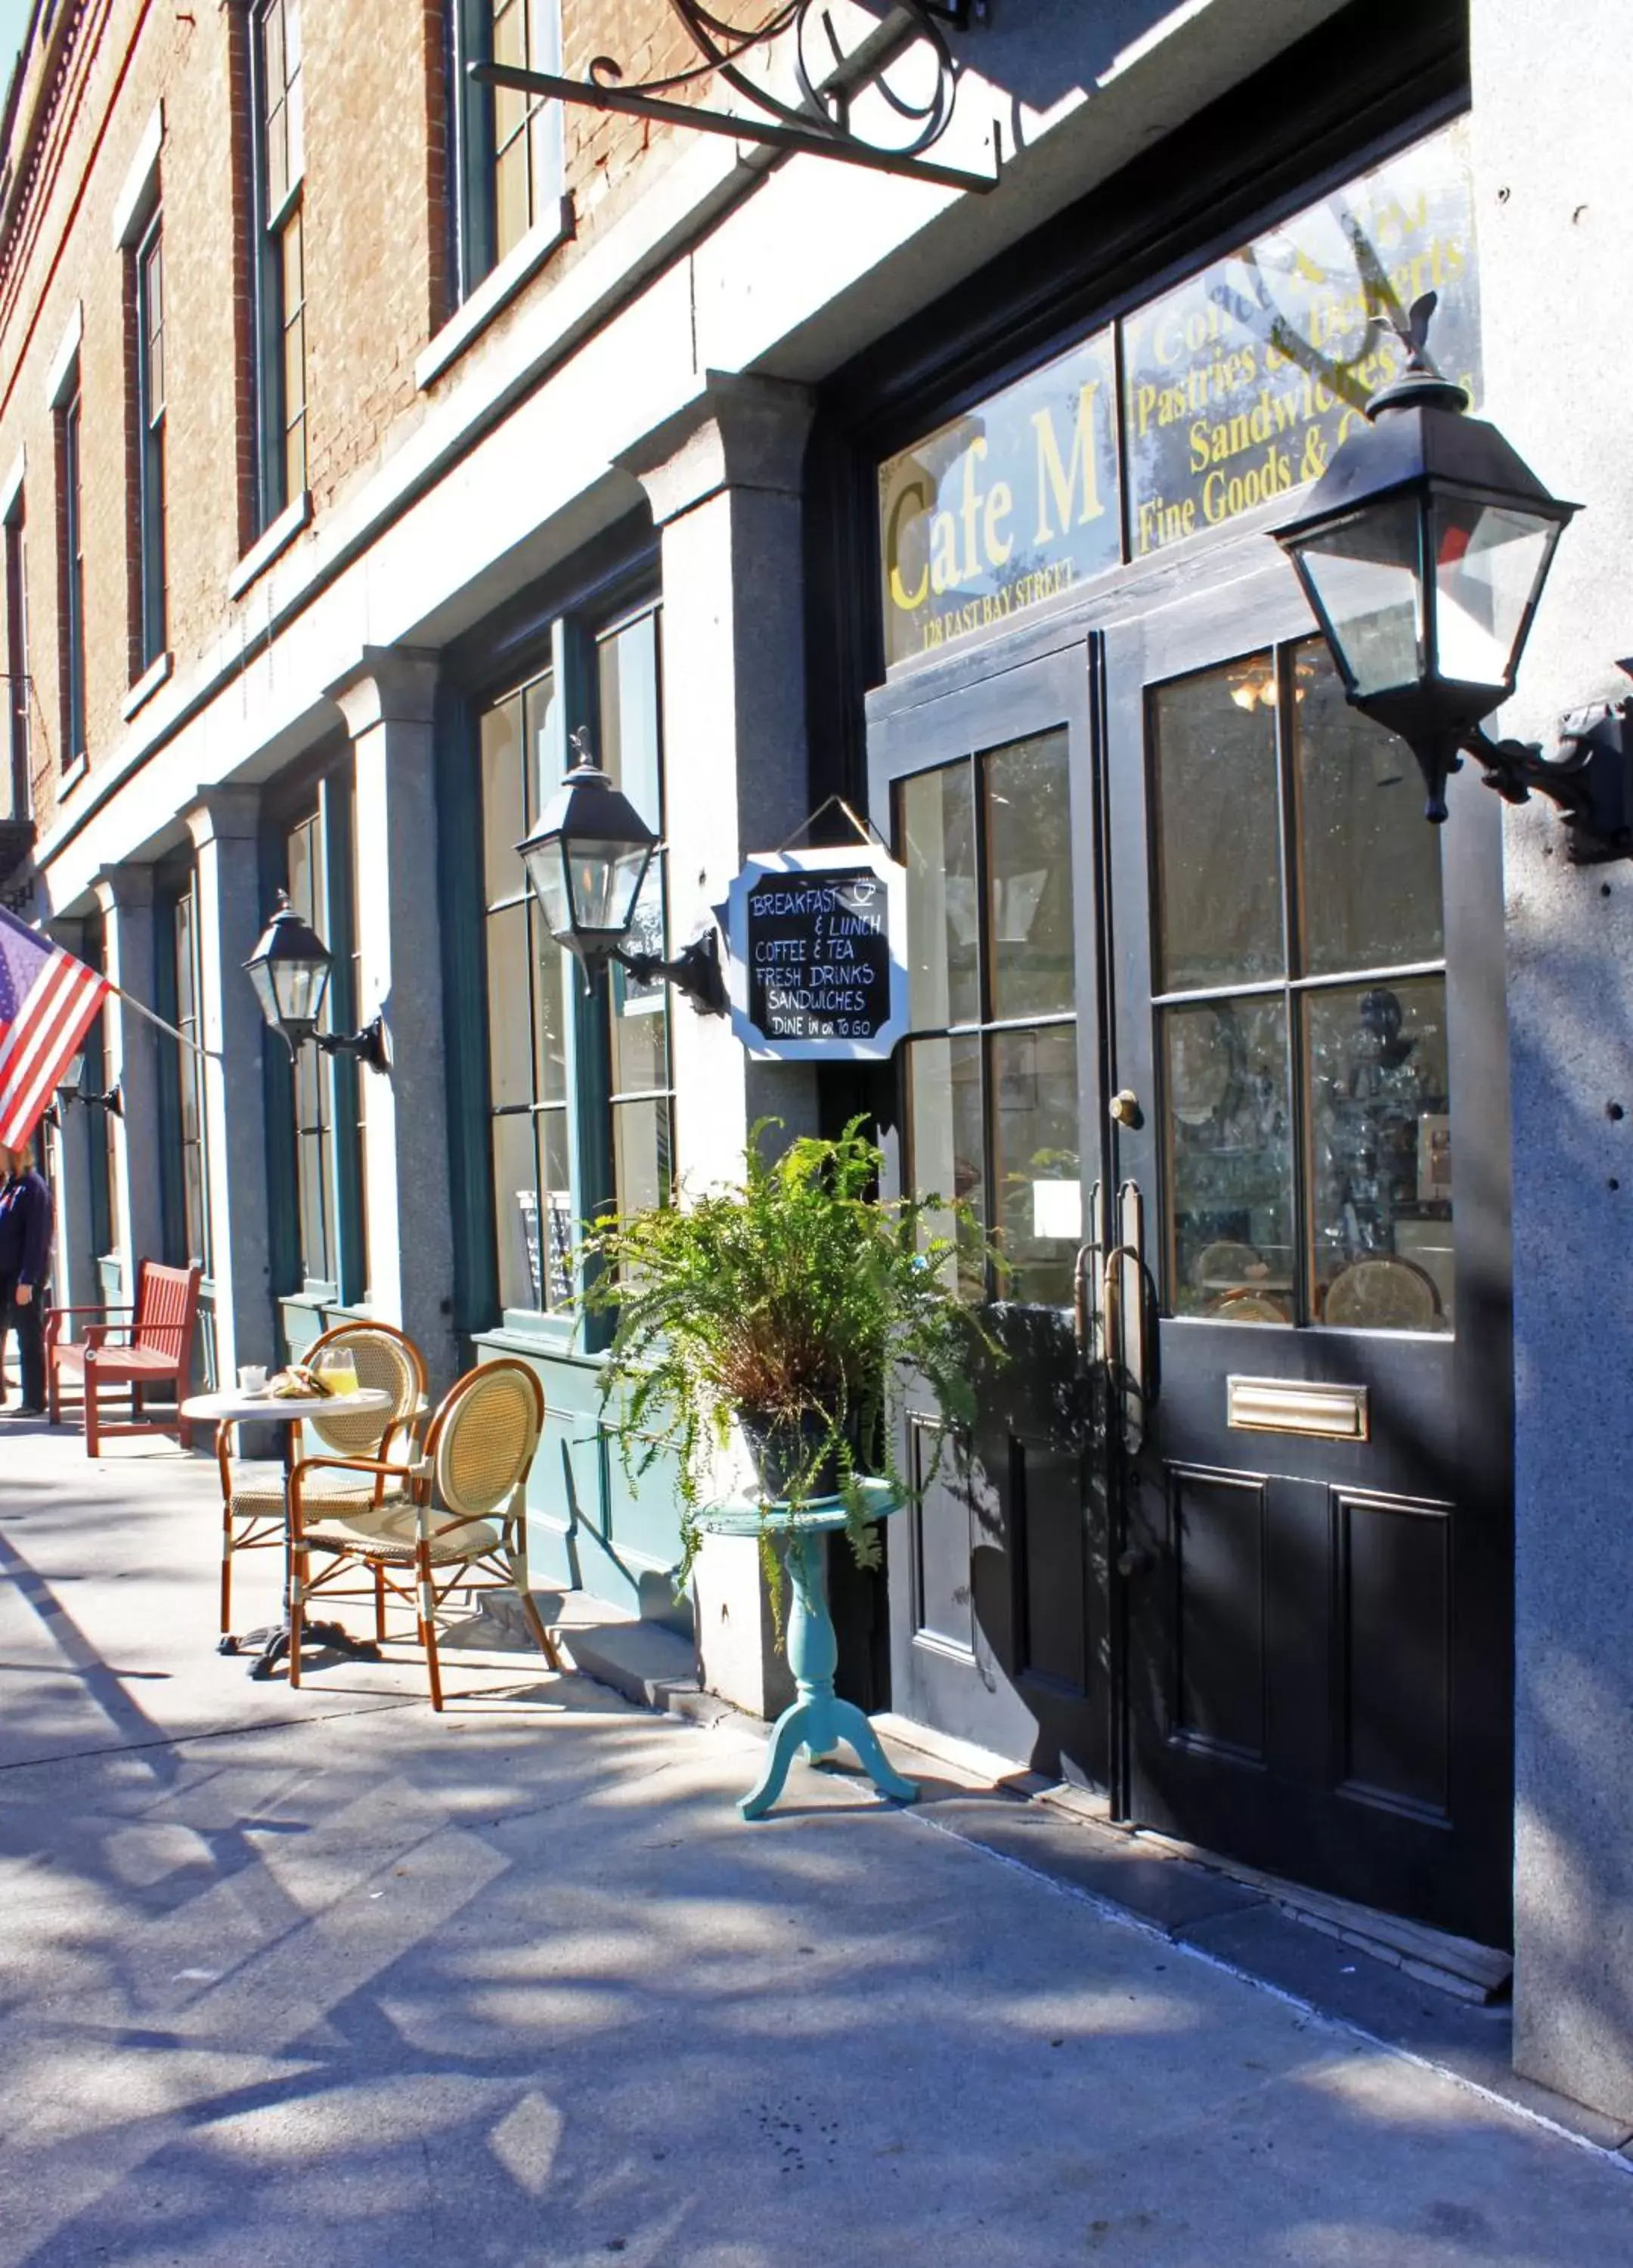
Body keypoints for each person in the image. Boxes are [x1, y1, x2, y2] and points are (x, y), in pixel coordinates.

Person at [0, 1138, 53, 1417]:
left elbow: (37, 1240)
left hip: (22, 1277)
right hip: (3, 1274)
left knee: (28, 1337)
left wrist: (28, 1280)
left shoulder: (33, 1188)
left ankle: (34, 1400)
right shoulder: (10, 1185)